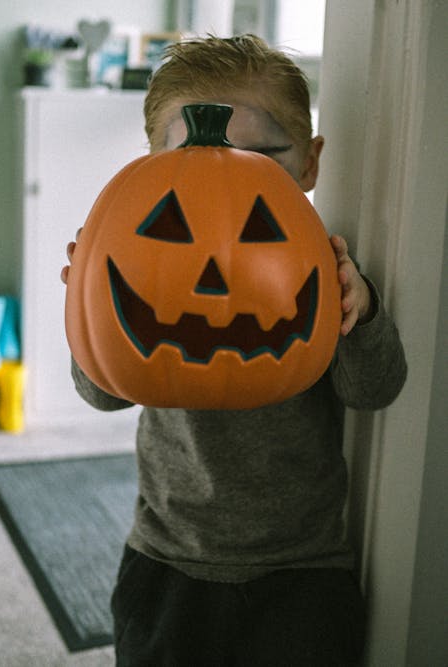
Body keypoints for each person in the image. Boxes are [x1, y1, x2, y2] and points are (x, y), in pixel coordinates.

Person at [61, 35, 407, 667]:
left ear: (309, 162)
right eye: (196, 160)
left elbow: (374, 390)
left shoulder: (318, 268)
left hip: (301, 570)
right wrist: (92, 303)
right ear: (153, 162)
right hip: (166, 559)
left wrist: (364, 313)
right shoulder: (141, 253)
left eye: (259, 161)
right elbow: (104, 391)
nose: (225, 184)